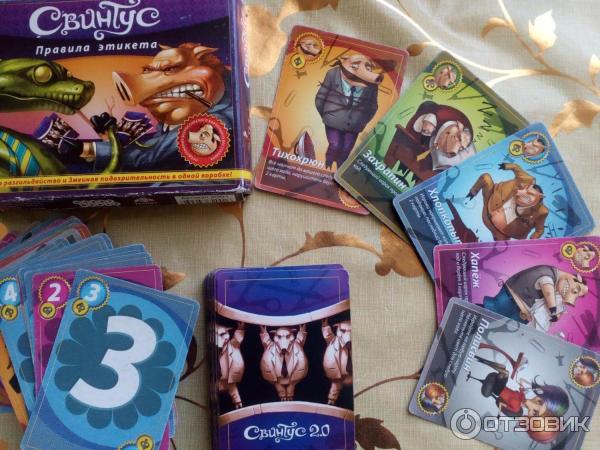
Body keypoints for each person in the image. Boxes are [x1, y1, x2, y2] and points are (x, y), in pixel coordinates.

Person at [481, 265, 589, 325]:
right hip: (510, 297)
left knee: (502, 326)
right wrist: (553, 311)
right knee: (490, 311)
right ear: (576, 279)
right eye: (577, 289)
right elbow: (548, 292)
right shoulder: (549, 273)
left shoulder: (557, 288)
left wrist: (555, 314)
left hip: (522, 312)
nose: (573, 292)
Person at [467, 162, 548, 240]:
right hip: (489, 208)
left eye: (528, 199)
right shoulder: (524, 182)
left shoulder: (540, 212)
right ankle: (470, 195)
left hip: (501, 233)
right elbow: (516, 167)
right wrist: (506, 166)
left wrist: (533, 238)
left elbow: (539, 230)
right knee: (485, 178)